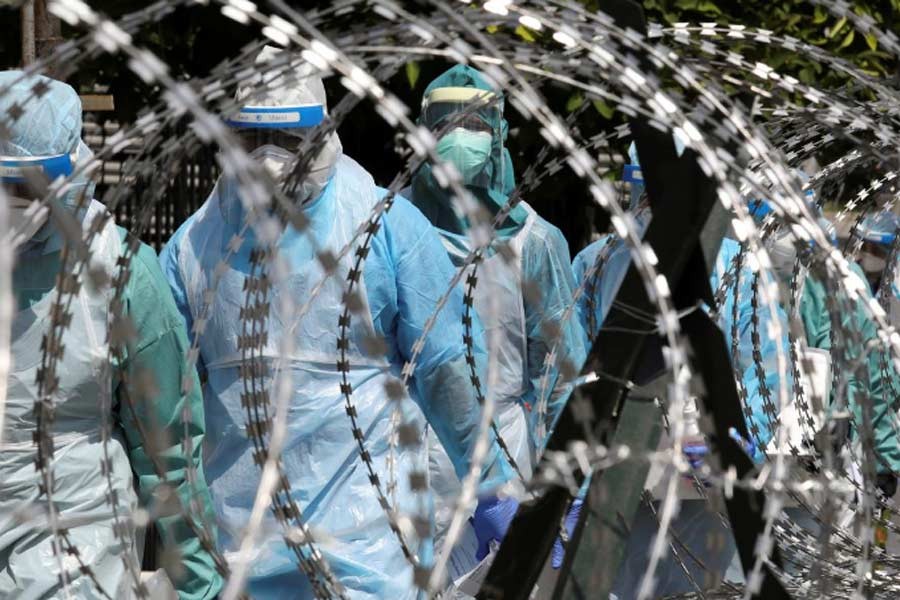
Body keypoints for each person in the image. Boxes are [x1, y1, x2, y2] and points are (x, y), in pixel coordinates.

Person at [159, 47, 513, 598]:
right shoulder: (191, 250)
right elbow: (166, 403)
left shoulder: (387, 226)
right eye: (254, 141)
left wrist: (490, 487)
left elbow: (446, 369)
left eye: (291, 140)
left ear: (323, 133)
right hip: (244, 545)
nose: (273, 160)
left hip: (371, 545)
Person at [0, 71, 222, 599]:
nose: (14, 202)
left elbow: (167, 441)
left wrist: (198, 581)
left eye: (28, 186)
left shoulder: (120, 272)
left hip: (73, 539)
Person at [571, 140, 791, 598]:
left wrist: (734, 447)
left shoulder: (740, 270)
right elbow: (570, 366)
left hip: (691, 487)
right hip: (621, 472)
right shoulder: (598, 263)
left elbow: (765, 377)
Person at [403, 64, 587, 576]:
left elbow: (562, 376)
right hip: (405, 465)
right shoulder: (392, 229)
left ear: (501, 133)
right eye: (447, 123)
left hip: (502, 465)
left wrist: (568, 486)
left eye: (477, 124)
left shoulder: (533, 242)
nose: (461, 137)